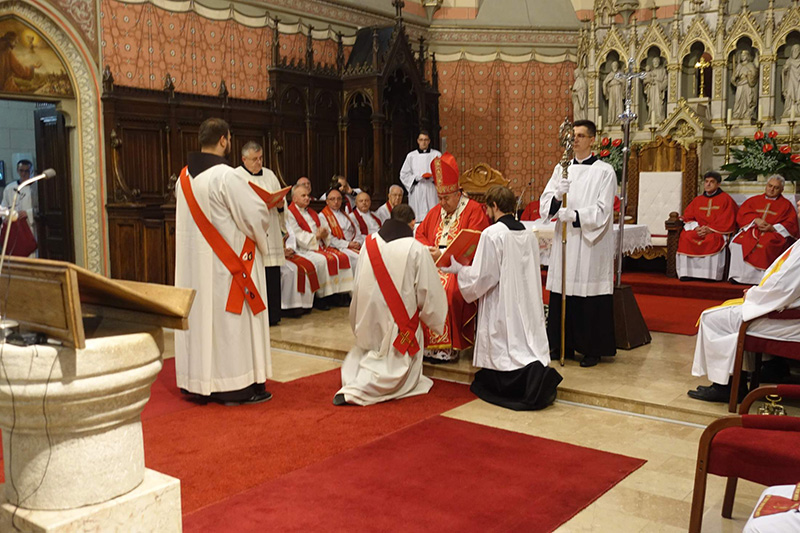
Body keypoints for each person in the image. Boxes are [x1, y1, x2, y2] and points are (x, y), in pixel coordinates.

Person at [174, 118, 272, 405]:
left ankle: (200, 382)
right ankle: (235, 386)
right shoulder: (226, 176)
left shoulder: (183, 179)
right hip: (229, 266)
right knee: (230, 325)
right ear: (223, 140)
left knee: (203, 322)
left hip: (196, 268)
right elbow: (254, 215)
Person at [442, 185, 562, 410]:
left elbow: (484, 276)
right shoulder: (527, 233)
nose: (487, 212)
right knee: (524, 341)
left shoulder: (493, 233)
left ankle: (509, 382)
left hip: (502, 300)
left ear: (495, 206)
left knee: (506, 346)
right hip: (525, 299)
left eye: (488, 207)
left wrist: (459, 270)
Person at [334, 204, 447, 406]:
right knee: (395, 362)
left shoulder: (369, 242)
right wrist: (434, 317)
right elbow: (428, 291)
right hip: (399, 324)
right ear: (412, 223)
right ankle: (360, 389)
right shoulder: (415, 249)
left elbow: (358, 283)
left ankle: (358, 380)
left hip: (368, 316)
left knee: (369, 353)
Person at [539, 119, 617, 368]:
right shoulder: (561, 169)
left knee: (588, 291)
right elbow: (545, 205)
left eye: (581, 136)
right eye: (573, 135)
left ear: (592, 140)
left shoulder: (604, 171)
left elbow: (604, 210)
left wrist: (575, 215)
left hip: (589, 242)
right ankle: (562, 344)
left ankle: (592, 348)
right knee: (564, 289)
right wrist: (556, 197)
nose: (575, 140)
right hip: (565, 241)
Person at [688, 238, 800, 402]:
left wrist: (754, 295)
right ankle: (772, 367)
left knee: (712, 319)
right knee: (731, 314)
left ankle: (726, 387)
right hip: (788, 311)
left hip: (789, 319)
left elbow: (783, 287)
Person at [415, 152, 490, 362]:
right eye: (439, 198)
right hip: (433, 265)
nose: (442, 203)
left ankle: (448, 348)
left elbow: (476, 242)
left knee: (447, 289)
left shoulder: (474, 210)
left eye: (446, 198)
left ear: (458, 193)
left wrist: (446, 256)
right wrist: (429, 251)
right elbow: (420, 234)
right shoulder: (435, 212)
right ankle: (426, 345)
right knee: (416, 287)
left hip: (459, 269)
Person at [234, 142, 286, 326]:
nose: (259, 162)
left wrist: (280, 205)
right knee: (255, 274)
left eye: (261, 158)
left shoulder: (270, 175)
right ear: (244, 159)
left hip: (271, 230)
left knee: (272, 274)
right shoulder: (236, 177)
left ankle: (273, 315)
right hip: (251, 234)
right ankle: (256, 316)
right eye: (254, 159)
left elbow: (281, 202)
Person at [286, 183, 354, 308]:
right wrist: (316, 237)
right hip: (304, 248)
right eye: (303, 196)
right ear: (294, 198)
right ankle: (322, 297)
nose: (307, 198)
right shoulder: (290, 213)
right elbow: (296, 234)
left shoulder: (311, 212)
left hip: (318, 245)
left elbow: (324, 228)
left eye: (308, 195)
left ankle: (340, 295)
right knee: (322, 261)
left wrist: (324, 233)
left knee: (342, 257)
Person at [728, 175, 798, 284]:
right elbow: (743, 214)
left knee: (765, 244)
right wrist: (755, 220)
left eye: (776, 187)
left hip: (773, 233)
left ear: (782, 190)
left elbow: (791, 224)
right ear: (766, 186)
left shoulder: (786, 205)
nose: (771, 189)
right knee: (737, 244)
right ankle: (738, 277)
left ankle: (761, 279)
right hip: (753, 229)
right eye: (770, 186)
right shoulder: (753, 200)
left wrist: (773, 227)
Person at [676, 171, 738, 281]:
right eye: (706, 181)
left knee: (712, 239)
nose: (708, 184)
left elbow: (727, 219)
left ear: (718, 184)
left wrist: (710, 229)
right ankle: (687, 273)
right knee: (686, 237)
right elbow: (688, 216)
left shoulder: (726, 199)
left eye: (712, 182)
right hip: (699, 229)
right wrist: (696, 228)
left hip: (716, 231)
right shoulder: (698, 200)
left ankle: (709, 275)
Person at [399, 130, 442, 222]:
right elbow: (403, 174)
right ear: (418, 141)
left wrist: (433, 178)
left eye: (426, 140)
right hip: (417, 189)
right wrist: (415, 179)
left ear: (429, 141)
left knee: (433, 215)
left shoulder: (437, 155)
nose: (423, 142)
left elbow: (442, 172)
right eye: (421, 140)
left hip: (431, 188)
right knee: (418, 215)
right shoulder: (411, 156)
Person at [319, 187, 361, 272]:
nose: (336, 202)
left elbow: (356, 230)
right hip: (339, 247)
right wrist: (348, 244)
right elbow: (329, 239)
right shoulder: (322, 216)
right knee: (359, 258)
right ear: (327, 201)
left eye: (339, 199)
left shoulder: (345, 213)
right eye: (332, 199)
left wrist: (357, 242)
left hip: (353, 244)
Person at [1, 159, 36, 239]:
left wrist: (28, 213)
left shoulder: (36, 188)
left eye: (26, 171)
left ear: (31, 171)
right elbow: (3, 207)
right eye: (21, 170)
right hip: (14, 227)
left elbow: (41, 209)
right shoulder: (9, 188)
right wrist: (6, 216)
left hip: (30, 226)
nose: (23, 174)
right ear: (17, 170)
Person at [732, 50, 758, 120]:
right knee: (738, 100)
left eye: (744, 55)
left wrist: (749, 74)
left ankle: (747, 114)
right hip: (740, 84)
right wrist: (734, 79)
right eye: (741, 55)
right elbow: (735, 75)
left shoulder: (751, 65)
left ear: (747, 56)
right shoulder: (739, 65)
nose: (742, 57)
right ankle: (737, 114)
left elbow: (755, 73)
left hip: (747, 84)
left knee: (748, 99)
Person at [781, 43, 800, 119]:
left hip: (798, 82)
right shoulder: (789, 61)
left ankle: (798, 110)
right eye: (794, 50)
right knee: (789, 94)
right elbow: (784, 73)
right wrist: (784, 70)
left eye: (797, 50)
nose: (795, 51)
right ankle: (789, 110)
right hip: (791, 81)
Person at [603, 61, 624, 126]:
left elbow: (624, 81)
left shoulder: (620, 74)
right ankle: (611, 120)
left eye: (615, 65)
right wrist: (605, 91)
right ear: (612, 67)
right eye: (613, 66)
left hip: (618, 89)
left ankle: (620, 120)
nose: (614, 67)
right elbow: (604, 82)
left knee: (619, 104)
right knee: (611, 105)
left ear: (617, 66)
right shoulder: (610, 75)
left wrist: (618, 79)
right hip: (611, 90)